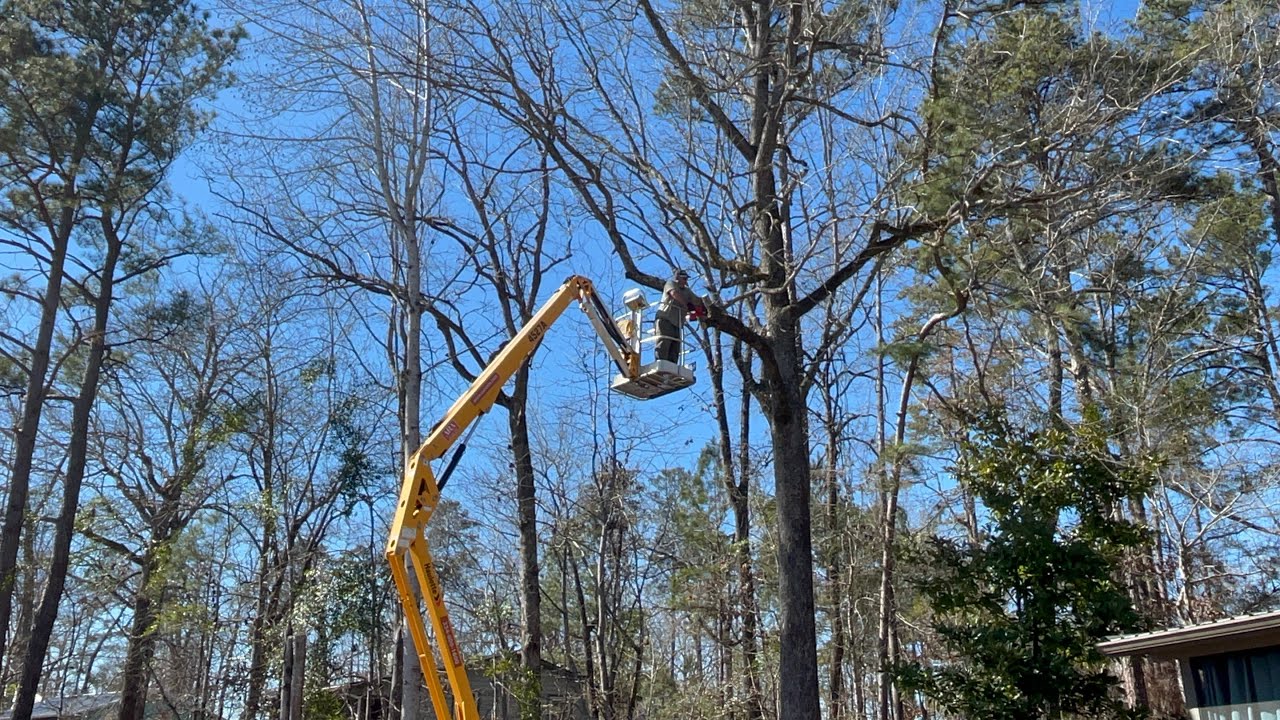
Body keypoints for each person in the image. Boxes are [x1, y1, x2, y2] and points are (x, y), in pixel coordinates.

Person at [654, 269, 706, 363]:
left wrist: (706, 306)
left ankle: (671, 369)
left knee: (675, 349)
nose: (686, 281)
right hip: (665, 320)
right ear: (677, 277)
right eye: (684, 278)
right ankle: (660, 364)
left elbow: (697, 300)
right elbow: (674, 294)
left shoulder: (687, 291)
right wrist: (686, 305)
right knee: (664, 343)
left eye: (686, 279)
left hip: (678, 324)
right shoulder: (670, 284)